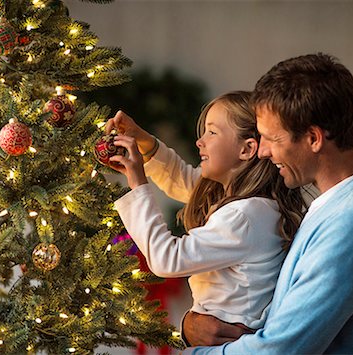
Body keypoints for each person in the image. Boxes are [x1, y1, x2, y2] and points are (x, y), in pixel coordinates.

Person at [181, 53, 353, 354]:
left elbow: (280, 349)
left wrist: (193, 352)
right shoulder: (339, 205)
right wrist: (190, 328)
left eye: (271, 139)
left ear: (313, 138)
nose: (261, 152)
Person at [105, 91, 306, 338]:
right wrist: (145, 142)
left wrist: (137, 182)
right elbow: (183, 179)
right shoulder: (247, 203)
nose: (200, 141)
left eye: (212, 132)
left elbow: (167, 259)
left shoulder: (245, 216)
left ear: (247, 149)